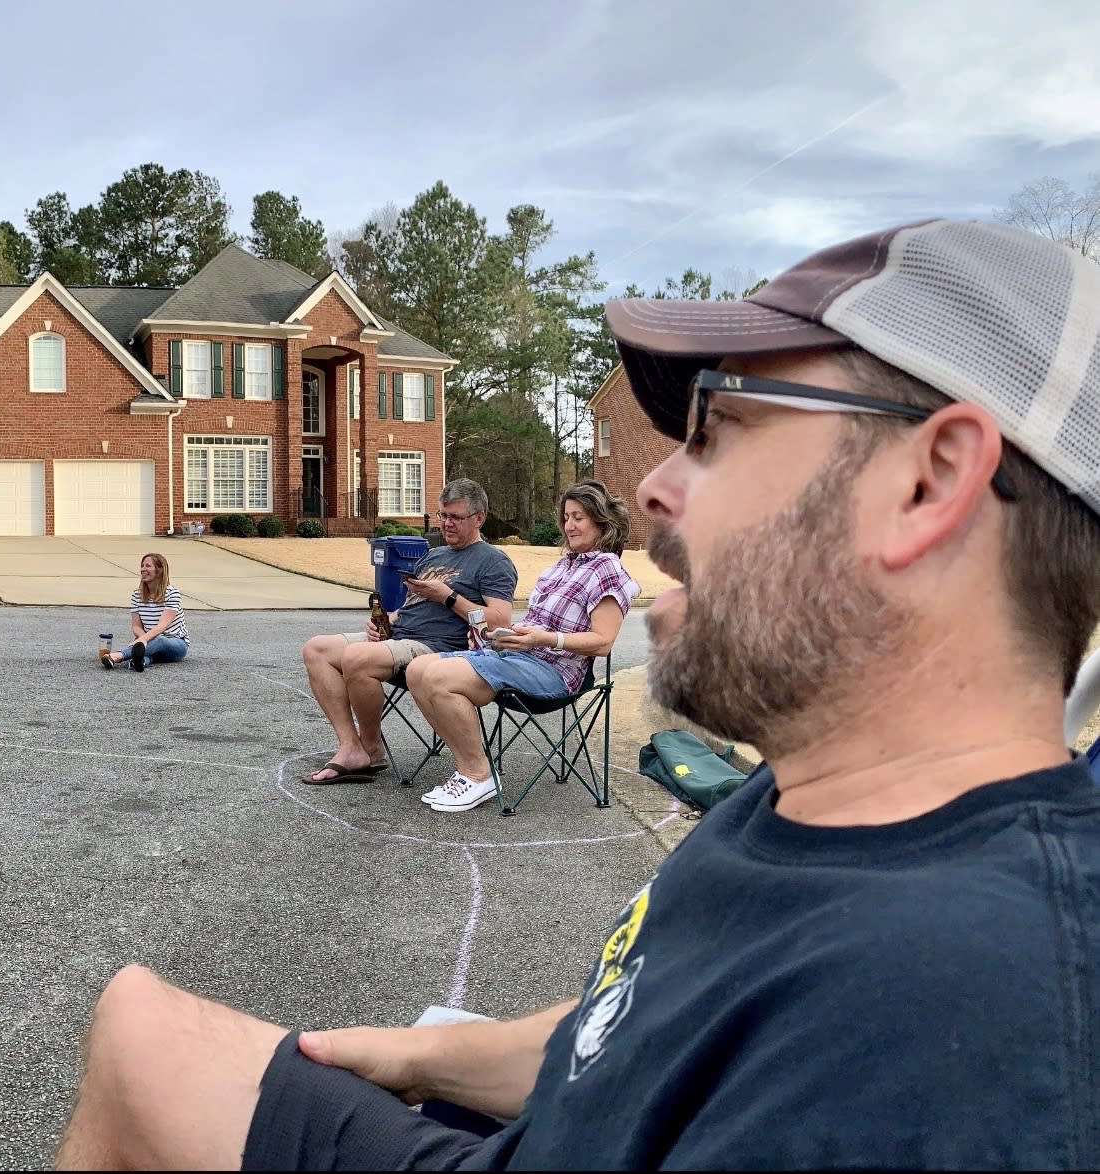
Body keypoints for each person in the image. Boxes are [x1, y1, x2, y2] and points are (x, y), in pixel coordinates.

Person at [55, 219, 1100, 1170]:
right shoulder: (811, 812)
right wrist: (427, 1054)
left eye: (719, 427)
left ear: (926, 481)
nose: (651, 487)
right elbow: (635, 1022)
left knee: (140, 1034)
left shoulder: (973, 1003)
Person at [406, 480, 640, 813]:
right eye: (566, 517)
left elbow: (602, 643)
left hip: (555, 673)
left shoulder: (607, 569)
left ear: (601, 522)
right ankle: (467, 769)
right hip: (519, 656)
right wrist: (509, 633)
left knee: (440, 678)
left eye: (579, 517)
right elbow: (535, 624)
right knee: (417, 670)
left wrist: (544, 638)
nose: (569, 525)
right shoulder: (561, 566)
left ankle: (479, 775)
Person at [300, 478, 517, 783]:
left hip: (439, 647)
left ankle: (371, 748)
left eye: (455, 517)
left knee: (358, 658)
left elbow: (499, 620)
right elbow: (410, 606)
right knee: (316, 649)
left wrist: (448, 596)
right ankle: (350, 746)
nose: (446, 524)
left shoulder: (493, 561)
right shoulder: (434, 556)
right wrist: (383, 622)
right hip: (399, 637)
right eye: (442, 515)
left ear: (479, 518)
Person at [101, 552, 189, 672]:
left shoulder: (172, 593)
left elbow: (162, 626)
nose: (143, 569)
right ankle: (139, 662)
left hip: (176, 644)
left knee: (159, 640)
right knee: (147, 652)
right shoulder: (136, 595)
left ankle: (117, 656)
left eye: (148, 566)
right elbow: (136, 626)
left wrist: (143, 641)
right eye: (142, 566)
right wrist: (143, 642)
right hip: (149, 641)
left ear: (160, 570)